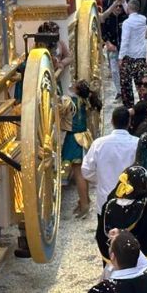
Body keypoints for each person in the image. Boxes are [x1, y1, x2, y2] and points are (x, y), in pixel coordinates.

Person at [81, 107, 139, 218]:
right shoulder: (137, 143)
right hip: (130, 199)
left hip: (105, 199)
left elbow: (86, 170)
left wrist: (101, 179)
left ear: (112, 121)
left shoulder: (99, 144)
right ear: (129, 122)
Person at [62, 80, 101, 219]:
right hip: (83, 136)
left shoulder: (70, 101)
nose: (70, 86)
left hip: (74, 138)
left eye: (73, 86)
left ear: (77, 91)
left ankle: (84, 204)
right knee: (80, 172)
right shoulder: (85, 101)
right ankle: (85, 200)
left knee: (79, 173)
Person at [118, 0, 147, 109]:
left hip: (128, 57)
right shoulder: (143, 19)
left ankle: (129, 108)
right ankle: (144, 106)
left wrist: (120, 57)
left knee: (126, 85)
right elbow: (131, 10)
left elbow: (125, 40)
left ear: (128, 9)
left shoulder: (127, 23)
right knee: (141, 84)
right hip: (141, 56)